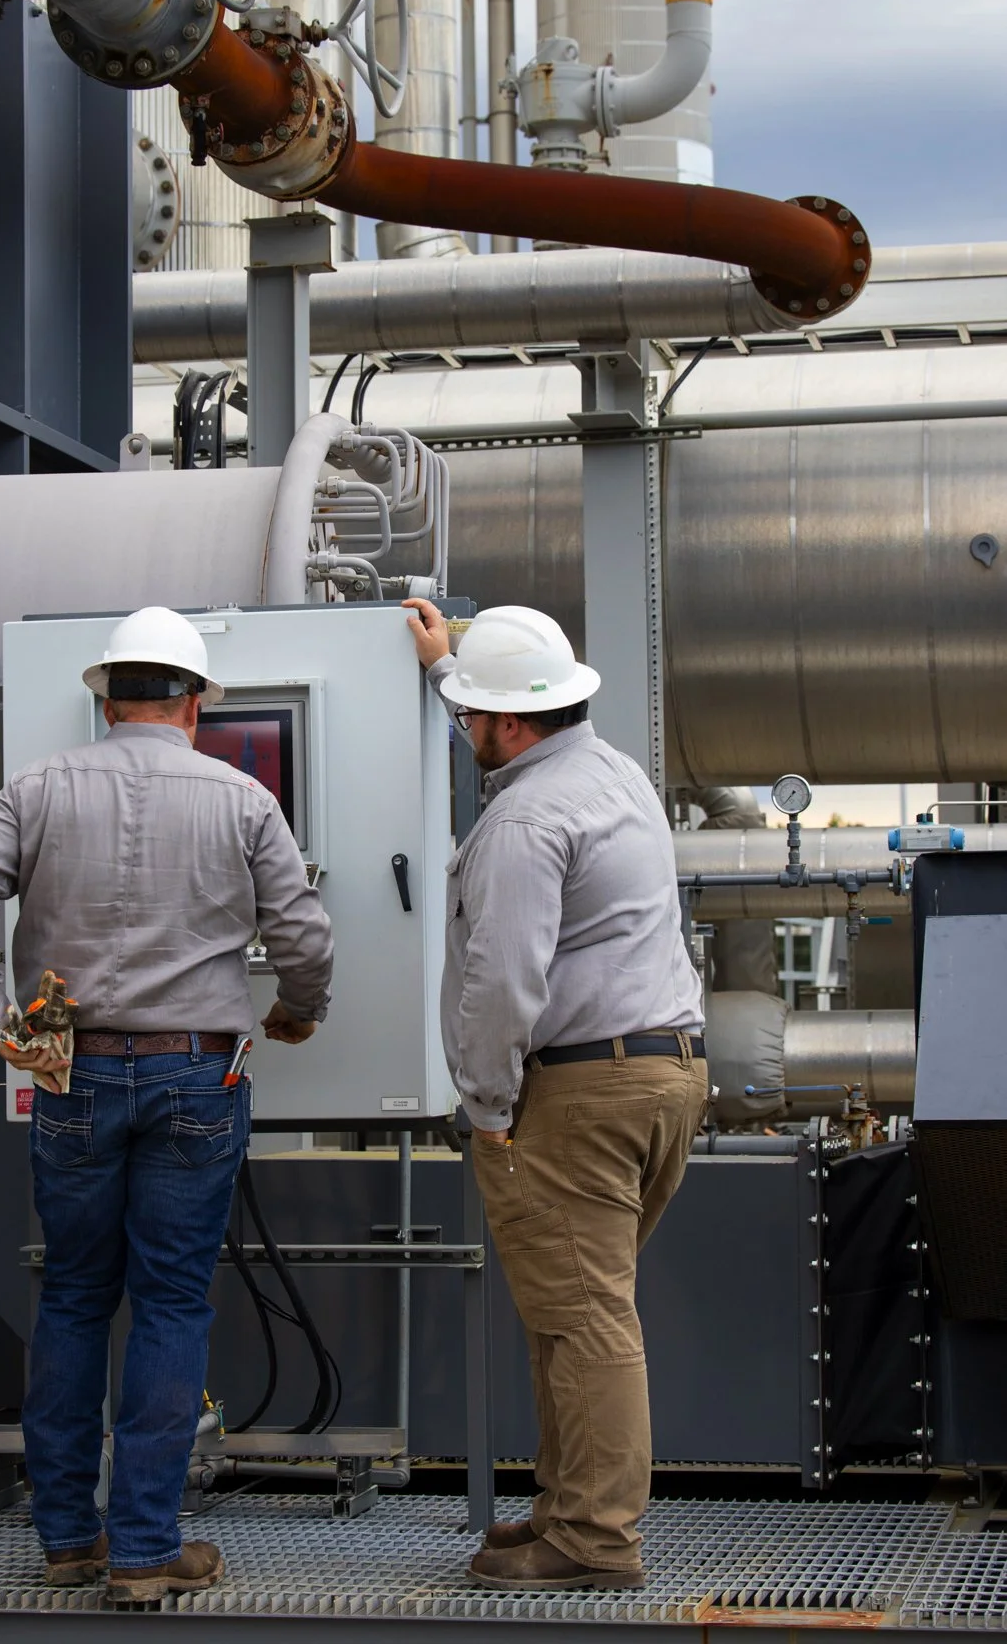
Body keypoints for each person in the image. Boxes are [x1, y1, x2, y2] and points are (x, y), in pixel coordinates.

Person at [0, 605, 333, 1603]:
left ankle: (68, 1537)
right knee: (168, 1301)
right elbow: (305, 937)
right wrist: (293, 1011)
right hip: (198, 1072)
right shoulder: (241, 796)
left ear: (103, 696)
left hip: (71, 1072)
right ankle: (146, 1547)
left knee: (70, 1294)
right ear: (195, 703)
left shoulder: (38, 787)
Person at [403, 598, 707, 1591]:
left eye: (471, 716)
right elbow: (501, 707)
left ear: (507, 723)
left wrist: (485, 1108)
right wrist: (449, 665)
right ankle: (563, 1510)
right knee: (565, 1308)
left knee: (580, 1317)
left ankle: (594, 1539)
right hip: (660, 1071)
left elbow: (501, 985)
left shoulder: (523, 817)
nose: (466, 732)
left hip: (577, 1091)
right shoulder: (608, 771)